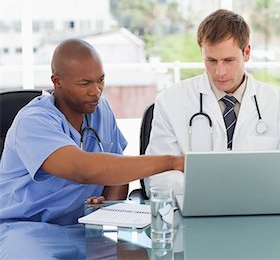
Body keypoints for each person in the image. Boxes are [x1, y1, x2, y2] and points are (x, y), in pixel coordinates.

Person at [0, 39, 184, 225]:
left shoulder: (101, 110)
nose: (96, 91)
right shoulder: (33, 122)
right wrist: (172, 162)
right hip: (24, 226)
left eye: (101, 80)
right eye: (84, 83)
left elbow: (118, 174)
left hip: (84, 227)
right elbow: (81, 169)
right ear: (57, 81)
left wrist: (107, 209)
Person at [144, 9, 280, 195]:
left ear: (246, 53)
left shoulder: (274, 101)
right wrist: (214, 191)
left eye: (229, 60)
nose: (219, 72)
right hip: (193, 211)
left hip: (254, 210)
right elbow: (157, 179)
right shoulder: (170, 101)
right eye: (211, 60)